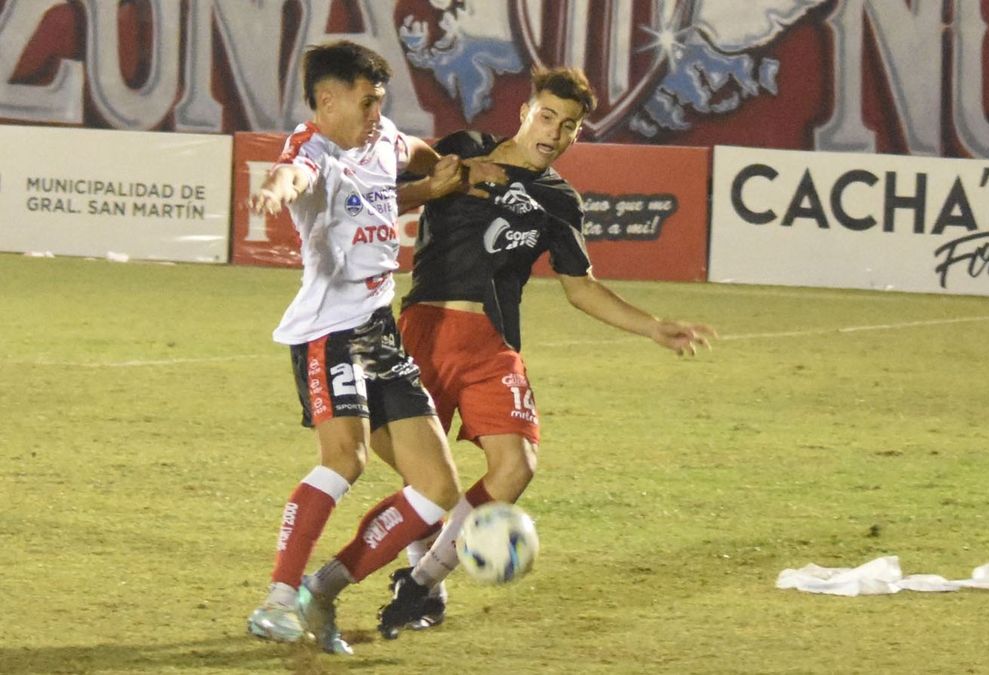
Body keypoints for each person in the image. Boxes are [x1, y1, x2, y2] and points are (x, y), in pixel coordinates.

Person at [333, 65, 715, 637]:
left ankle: (419, 585)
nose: (553, 132)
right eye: (546, 116)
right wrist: (427, 182)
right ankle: (402, 574)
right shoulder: (463, 150)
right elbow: (388, 194)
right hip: (422, 331)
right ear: (524, 113)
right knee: (425, 482)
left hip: (493, 343)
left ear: (577, 134)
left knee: (516, 466)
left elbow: (580, 287)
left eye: (568, 125)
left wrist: (652, 327)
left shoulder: (559, 200)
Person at [245, 40, 484, 656]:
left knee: (436, 490)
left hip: (380, 331)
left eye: (382, 101)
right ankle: (276, 597)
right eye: (367, 101)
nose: (378, 112)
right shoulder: (313, 149)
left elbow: (409, 161)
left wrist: (441, 176)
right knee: (345, 460)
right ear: (327, 101)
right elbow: (292, 173)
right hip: (328, 333)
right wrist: (276, 188)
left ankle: (319, 591)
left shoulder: (384, 143)